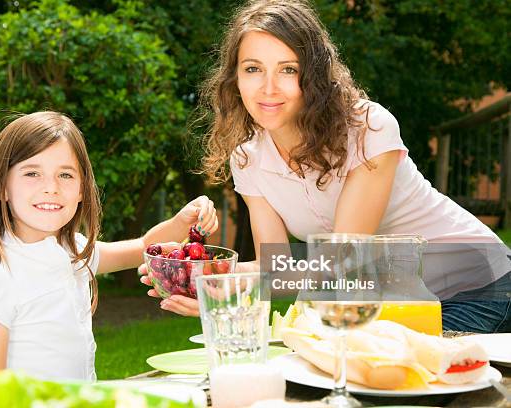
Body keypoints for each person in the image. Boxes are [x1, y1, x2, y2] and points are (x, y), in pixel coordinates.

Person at [140, 0, 511, 333]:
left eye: (287, 69)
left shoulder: (368, 128)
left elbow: (342, 265)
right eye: (253, 69)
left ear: (314, 75)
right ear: (234, 78)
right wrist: (202, 274)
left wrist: (289, 325)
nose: (268, 87)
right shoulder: (248, 157)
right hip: (402, 303)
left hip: (480, 285)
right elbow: (278, 272)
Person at [0, 111, 218, 381]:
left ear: (81, 189)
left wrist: (182, 220)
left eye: (65, 175)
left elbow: (144, 247)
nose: (51, 187)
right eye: (32, 173)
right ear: (2, 188)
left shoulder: (73, 251)